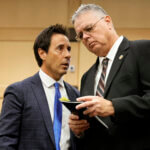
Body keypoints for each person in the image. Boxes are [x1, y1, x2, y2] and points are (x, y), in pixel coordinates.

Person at [68, 3, 150, 150]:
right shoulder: (87, 77)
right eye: (80, 35)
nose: (85, 37)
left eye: (89, 28)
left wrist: (114, 107)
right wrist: (79, 130)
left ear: (107, 21)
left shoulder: (142, 50)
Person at [0, 24, 80, 150]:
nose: (68, 55)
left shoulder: (75, 95)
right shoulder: (18, 93)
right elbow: (6, 142)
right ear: (42, 53)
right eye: (60, 48)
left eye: (69, 49)